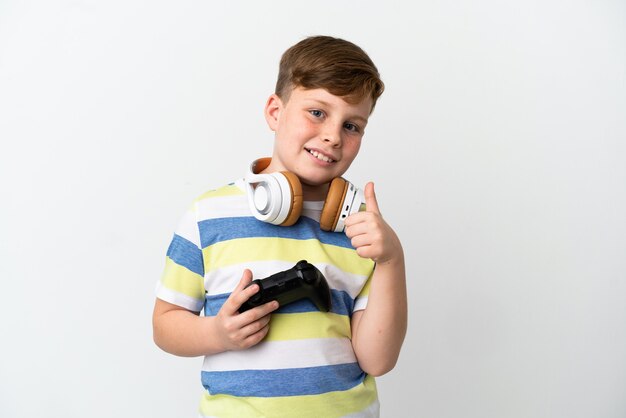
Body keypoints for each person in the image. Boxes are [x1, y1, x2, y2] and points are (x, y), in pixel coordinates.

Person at [152, 35, 407, 418]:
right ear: (275, 111)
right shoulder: (209, 215)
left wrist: (391, 260)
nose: (333, 136)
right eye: (317, 113)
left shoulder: (361, 233)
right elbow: (165, 325)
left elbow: (377, 360)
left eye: (352, 125)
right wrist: (216, 334)